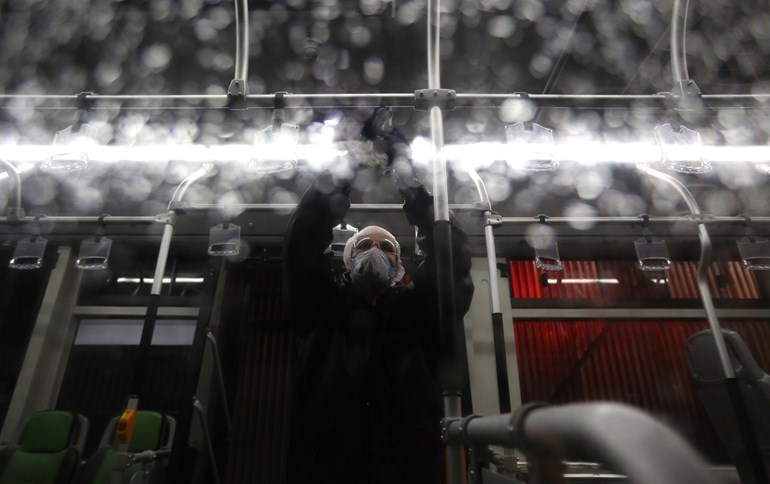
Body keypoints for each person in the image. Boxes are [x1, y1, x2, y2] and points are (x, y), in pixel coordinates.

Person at [284, 108, 473, 484]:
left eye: (386, 247)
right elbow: (302, 242)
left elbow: (451, 261)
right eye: (364, 245)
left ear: (399, 266)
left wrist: (413, 188)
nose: (375, 250)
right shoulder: (323, 310)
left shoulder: (419, 314)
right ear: (347, 261)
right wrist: (345, 170)